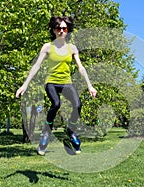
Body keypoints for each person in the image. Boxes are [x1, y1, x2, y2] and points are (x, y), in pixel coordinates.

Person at [16, 16, 97, 156]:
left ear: (68, 30)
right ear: (54, 30)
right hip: (51, 82)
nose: (61, 31)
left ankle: (71, 132)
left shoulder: (72, 48)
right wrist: (25, 85)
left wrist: (90, 86)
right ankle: (46, 133)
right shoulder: (47, 47)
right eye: (58, 28)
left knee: (77, 105)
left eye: (64, 28)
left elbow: (81, 68)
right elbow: (37, 65)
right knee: (56, 103)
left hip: (66, 82)